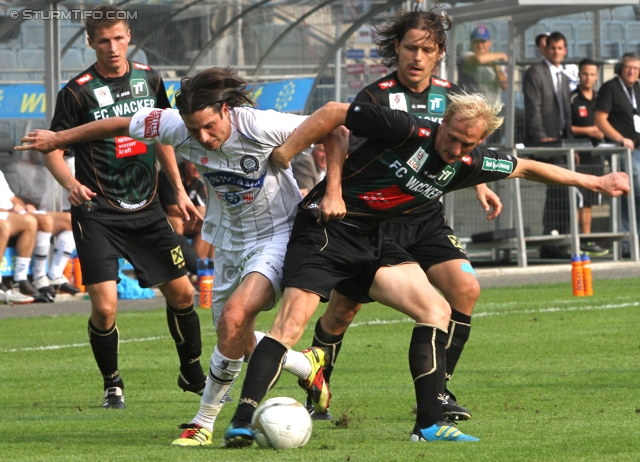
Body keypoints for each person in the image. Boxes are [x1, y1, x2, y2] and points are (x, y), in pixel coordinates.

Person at [221, 92, 628, 447]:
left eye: (466, 144)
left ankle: (429, 423)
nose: (455, 148)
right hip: (326, 228)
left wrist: (595, 184)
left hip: (372, 240)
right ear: (443, 122)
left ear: (479, 141)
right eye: (451, 137)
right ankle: (241, 422)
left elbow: (527, 167)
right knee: (290, 325)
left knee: (436, 311)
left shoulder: (468, 162)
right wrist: (287, 156)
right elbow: (333, 113)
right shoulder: (404, 128)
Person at [17, 66, 347, 446]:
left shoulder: (259, 124)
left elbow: (335, 128)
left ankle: (203, 423)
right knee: (234, 338)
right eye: (194, 131)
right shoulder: (172, 125)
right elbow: (117, 124)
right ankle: (307, 366)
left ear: (226, 110)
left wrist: (333, 189)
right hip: (227, 241)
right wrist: (59, 138)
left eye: (209, 126)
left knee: (237, 318)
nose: (202, 138)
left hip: (276, 236)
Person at [303, 8, 501, 423]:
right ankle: (316, 387)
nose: (417, 56)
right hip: (377, 217)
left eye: (426, 49)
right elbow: (341, 144)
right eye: (410, 47)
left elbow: (467, 149)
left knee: (465, 288)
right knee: (343, 311)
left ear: (439, 53)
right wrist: (333, 190)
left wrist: (481, 184)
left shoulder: (452, 97)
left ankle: (439, 391)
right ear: (396, 48)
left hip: (426, 216)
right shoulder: (374, 96)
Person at [29, 4, 207, 409]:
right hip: (97, 212)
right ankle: (112, 384)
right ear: (91, 42)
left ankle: (191, 372)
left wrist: (177, 190)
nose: (112, 46)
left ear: (129, 37)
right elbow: (52, 147)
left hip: (146, 207)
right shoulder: (76, 91)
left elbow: (162, 134)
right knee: (106, 308)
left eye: (119, 38)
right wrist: (71, 184)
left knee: (183, 295)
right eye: (103, 40)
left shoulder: (149, 78)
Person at [523, 31, 573, 259]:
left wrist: (572, 143)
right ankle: (550, 240)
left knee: (563, 190)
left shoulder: (563, 76)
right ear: (545, 49)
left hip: (562, 142)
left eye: (560, 48)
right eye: (552, 48)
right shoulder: (535, 72)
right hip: (545, 142)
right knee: (556, 188)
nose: (556, 52)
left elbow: (566, 113)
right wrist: (540, 136)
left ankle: (559, 239)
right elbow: (532, 108)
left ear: (565, 50)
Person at [595, 53, 640, 256]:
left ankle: (634, 243)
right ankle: (626, 245)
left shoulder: (637, 89)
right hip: (623, 152)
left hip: (638, 150)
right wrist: (620, 139)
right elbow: (600, 119)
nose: (632, 71)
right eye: (628, 67)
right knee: (630, 194)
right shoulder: (610, 88)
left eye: (636, 68)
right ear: (621, 68)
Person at [570, 58, 607, 256]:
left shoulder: (601, 98)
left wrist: (601, 132)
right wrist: (588, 130)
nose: (588, 77)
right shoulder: (572, 98)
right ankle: (575, 238)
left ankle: (587, 238)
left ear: (597, 76)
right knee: (577, 198)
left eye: (592, 74)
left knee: (591, 199)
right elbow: (566, 126)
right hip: (577, 154)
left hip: (595, 154)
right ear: (579, 74)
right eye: (585, 73)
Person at [0, 170, 38, 304]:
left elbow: (11, 197)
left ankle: (21, 277)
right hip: (3, 215)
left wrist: (22, 206)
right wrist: (7, 210)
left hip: (6, 214)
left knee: (30, 221)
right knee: (3, 226)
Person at [462, 25, 508, 104]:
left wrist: (497, 68)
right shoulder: (466, 55)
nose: (480, 45)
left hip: (492, 108)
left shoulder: (496, 61)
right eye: (477, 42)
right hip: (472, 107)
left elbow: (505, 86)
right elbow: (479, 59)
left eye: (483, 41)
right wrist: (502, 55)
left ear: (490, 42)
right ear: (471, 42)